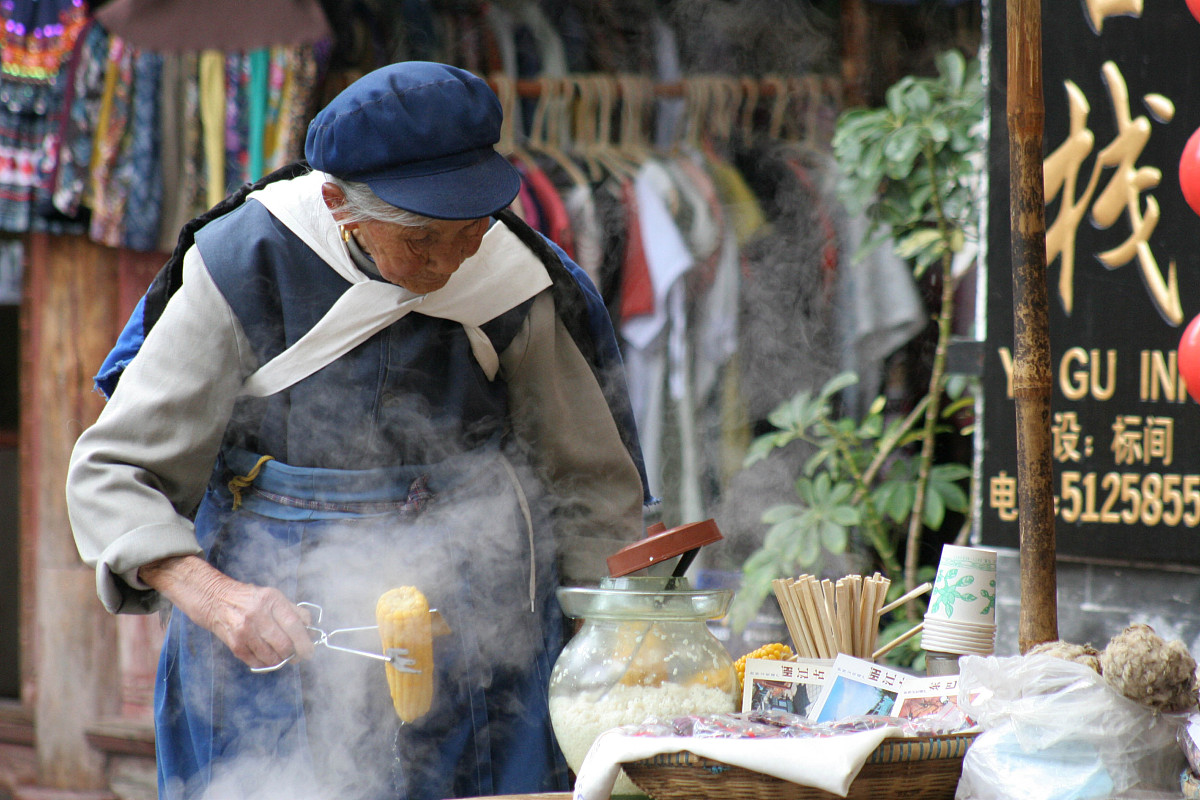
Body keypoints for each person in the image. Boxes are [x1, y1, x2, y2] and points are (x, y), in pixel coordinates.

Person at [66, 61, 651, 800]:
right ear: (339, 204)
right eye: (422, 238)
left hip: (480, 619)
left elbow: (590, 482)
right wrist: (215, 597)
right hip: (272, 622)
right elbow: (114, 473)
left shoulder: (512, 276)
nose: (452, 260)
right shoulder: (247, 262)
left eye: (470, 229)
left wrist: (611, 644)